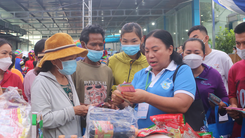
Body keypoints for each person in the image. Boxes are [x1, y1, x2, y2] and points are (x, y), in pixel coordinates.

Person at [112, 30, 196, 129]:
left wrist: (146, 97)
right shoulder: (141, 74)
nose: (150, 55)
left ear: (169, 50)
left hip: (168, 134)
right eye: (146, 51)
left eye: (155, 50)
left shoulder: (181, 71)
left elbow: (182, 105)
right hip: (140, 133)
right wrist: (120, 100)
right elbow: (130, 104)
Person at [31, 33, 89, 137]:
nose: (73, 62)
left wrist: (84, 110)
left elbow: (70, 105)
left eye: (74, 58)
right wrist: (73, 111)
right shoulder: (41, 82)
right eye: (69, 59)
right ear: (54, 60)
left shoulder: (67, 76)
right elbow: (41, 120)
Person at [71, 25, 114, 134]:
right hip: (80, 127)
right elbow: (69, 102)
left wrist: (111, 104)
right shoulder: (74, 69)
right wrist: (89, 108)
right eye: (93, 44)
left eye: (100, 45)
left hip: (103, 128)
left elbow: (108, 98)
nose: (98, 48)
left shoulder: (108, 71)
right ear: (83, 45)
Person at [182, 38, 229, 124]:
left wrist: (222, 105)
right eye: (188, 53)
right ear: (183, 55)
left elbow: (224, 97)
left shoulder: (213, 74)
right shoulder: (177, 74)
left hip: (208, 126)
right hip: (181, 127)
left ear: (204, 56)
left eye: (196, 53)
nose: (192, 56)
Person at [188, 25, 233, 92]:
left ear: (206, 38)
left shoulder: (222, 57)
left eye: (196, 38)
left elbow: (232, 81)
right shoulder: (189, 60)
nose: (193, 42)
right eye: (191, 40)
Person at [108, 22, 149, 90]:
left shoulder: (148, 63)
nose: (129, 44)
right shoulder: (113, 60)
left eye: (134, 41)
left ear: (141, 40)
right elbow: (107, 86)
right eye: (125, 41)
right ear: (121, 41)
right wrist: (116, 91)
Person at [227, 22, 245, 138]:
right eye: (238, 44)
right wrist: (233, 106)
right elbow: (232, 95)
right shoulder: (235, 68)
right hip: (241, 128)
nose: (242, 48)